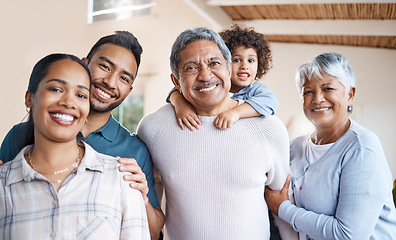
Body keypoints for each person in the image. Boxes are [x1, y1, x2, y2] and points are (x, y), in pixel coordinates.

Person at [0, 31, 164, 239]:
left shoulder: (133, 153)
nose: (111, 82)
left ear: (129, 90)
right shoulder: (20, 134)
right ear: (84, 64)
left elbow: (150, 232)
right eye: (104, 66)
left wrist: (142, 199)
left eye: (123, 78)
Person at [137, 27, 297, 239]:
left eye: (214, 63)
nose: (205, 75)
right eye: (191, 67)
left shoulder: (269, 128)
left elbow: (279, 199)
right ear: (176, 81)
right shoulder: (153, 129)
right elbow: (149, 208)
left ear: (229, 68)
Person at [265, 52, 396, 239]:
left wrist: (282, 208)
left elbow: (348, 235)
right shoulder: (295, 147)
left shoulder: (361, 148)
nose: (317, 98)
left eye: (327, 89)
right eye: (308, 91)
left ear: (350, 95)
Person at [167, 24, 279, 131]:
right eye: (237, 60)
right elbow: (177, 89)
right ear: (227, 64)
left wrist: (236, 112)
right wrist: (180, 104)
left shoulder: (256, 90)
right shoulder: (214, 85)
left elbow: (270, 102)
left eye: (251, 60)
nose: (244, 66)